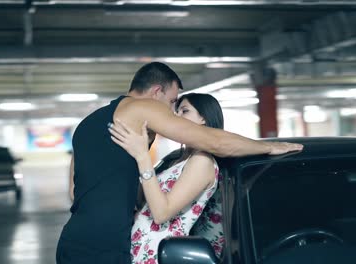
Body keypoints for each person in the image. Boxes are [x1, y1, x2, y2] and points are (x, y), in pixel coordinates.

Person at [56, 61, 303, 264]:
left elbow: (74, 191)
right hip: (106, 246)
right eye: (173, 102)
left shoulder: (88, 124)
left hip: (73, 238)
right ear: (156, 93)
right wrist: (268, 146)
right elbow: (217, 143)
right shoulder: (141, 108)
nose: (172, 113)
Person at [108, 93, 225, 263]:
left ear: (204, 119)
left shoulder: (202, 161)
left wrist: (143, 157)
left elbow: (161, 213)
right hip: (139, 246)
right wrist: (142, 151)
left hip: (163, 253)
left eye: (184, 111)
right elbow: (142, 202)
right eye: (176, 111)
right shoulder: (176, 158)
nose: (176, 116)